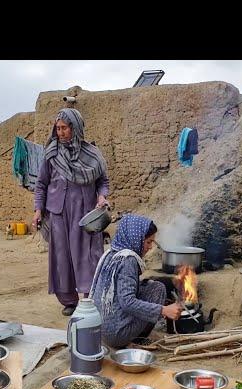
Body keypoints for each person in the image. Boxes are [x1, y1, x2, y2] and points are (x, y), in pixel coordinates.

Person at [33, 108, 109, 316]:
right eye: (57, 128)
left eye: (64, 128)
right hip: (58, 213)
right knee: (62, 257)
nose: (60, 132)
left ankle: (89, 298)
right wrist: (38, 209)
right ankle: (69, 301)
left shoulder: (92, 154)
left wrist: (102, 196)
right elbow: (41, 184)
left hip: (85, 214)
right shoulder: (51, 154)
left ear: (75, 128)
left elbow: (103, 181)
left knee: (87, 255)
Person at [90, 214, 182, 348]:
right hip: (115, 335)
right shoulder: (128, 260)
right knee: (158, 290)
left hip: (98, 328)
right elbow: (127, 302)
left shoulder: (111, 252)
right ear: (136, 238)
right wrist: (163, 310)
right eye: (148, 242)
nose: (150, 247)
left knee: (152, 286)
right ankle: (137, 339)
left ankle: (132, 334)